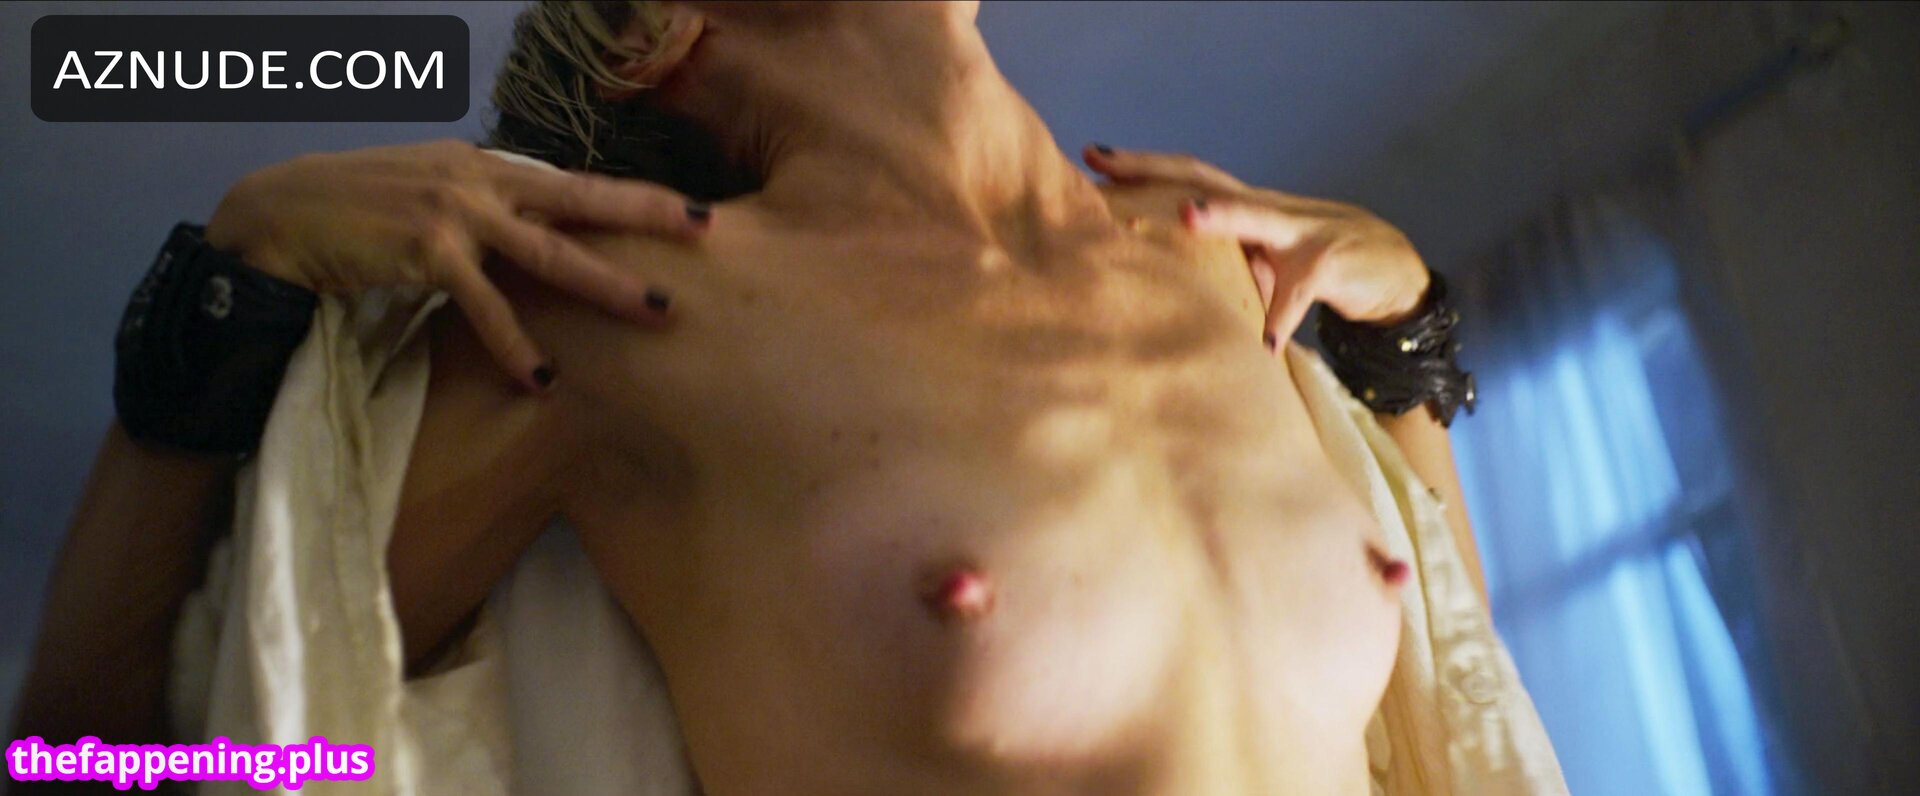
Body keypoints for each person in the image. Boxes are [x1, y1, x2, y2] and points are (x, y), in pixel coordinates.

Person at [14, 2, 1488, 793]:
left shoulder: (1221, 256)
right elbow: (100, 761)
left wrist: (1410, 331)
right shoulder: (631, 325)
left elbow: (1461, 704)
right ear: (658, 32)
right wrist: (239, 265)